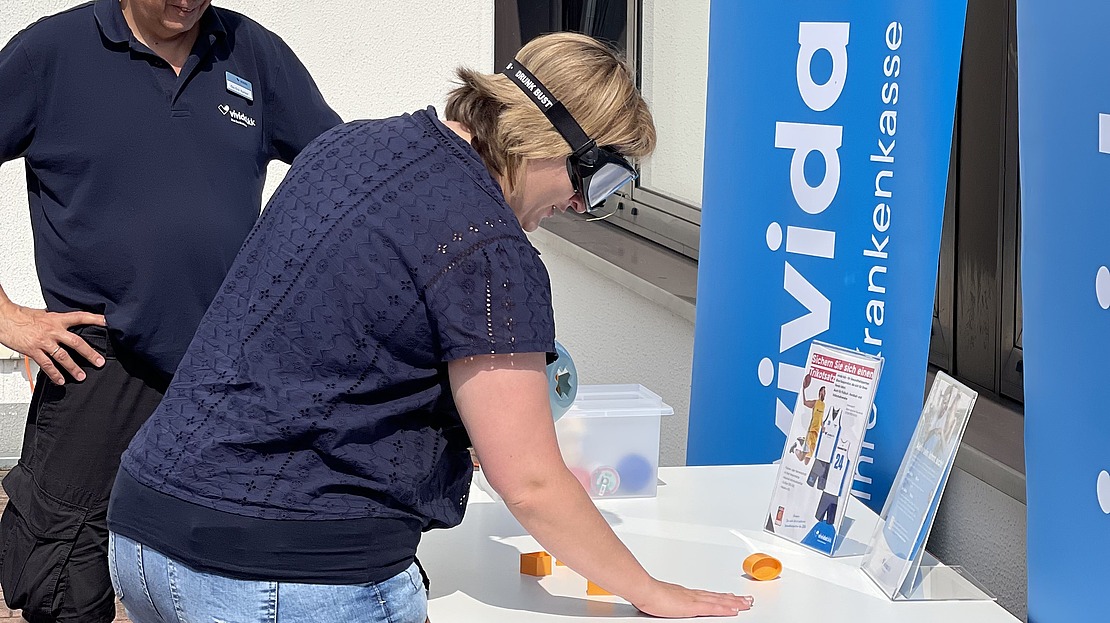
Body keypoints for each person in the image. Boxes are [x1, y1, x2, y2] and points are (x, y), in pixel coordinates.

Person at [105, 32, 755, 622]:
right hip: (284, 574)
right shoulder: (491, 246)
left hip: (144, 536)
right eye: (602, 176)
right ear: (549, 143)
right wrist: (650, 589)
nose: (585, 206)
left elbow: (329, 345)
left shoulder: (354, 145)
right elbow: (529, 483)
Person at [0, 1, 340, 620]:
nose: (186, 2)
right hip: (98, 356)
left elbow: (338, 171)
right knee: (65, 569)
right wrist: (7, 318)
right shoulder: (52, 52)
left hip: (226, 364)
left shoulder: (251, 51)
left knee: (233, 560)